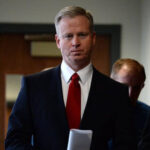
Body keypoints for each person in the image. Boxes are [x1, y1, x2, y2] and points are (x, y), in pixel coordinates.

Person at [5, 6, 137, 150]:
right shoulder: (33, 86)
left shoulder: (116, 92)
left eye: (82, 35)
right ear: (57, 41)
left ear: (93, 38)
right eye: (68, 36)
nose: (75, 42)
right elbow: (14, 141)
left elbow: (126, 145)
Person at [110, 58, 150, 147]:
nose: (130, 94)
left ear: (142, 87)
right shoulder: (96, 112)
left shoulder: (147, 116)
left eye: (136, 88)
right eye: (124, 86)